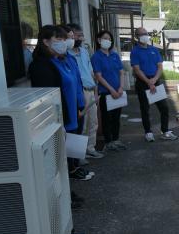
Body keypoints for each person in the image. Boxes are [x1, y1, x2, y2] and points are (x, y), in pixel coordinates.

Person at [29, 25, 92, 181]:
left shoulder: (63, 60)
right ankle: (66, 192)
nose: (64, 43)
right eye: (59, 39)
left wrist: (79, 105)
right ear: (45, 41)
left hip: (72, 114)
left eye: (65, 39)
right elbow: (50, 96)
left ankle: (73, 173)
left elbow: (75, 84)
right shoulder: (41, 65)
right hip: (58, 118)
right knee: (58, 158)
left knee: (69, 151)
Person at [130, 27, 177, 142]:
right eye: (141, 34)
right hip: (142, 82)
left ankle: (165, 131)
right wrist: (148, 81)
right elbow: (137, 69)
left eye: (146, 33)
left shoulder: (154, 50)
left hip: (155, 81)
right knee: (145, 109)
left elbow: (160, 67)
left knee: (164, 107)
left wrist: (154, 80)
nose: (145, 36)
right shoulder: (135, 51)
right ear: (136, 37)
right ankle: (148, 133)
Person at [68, 23, 104, 160]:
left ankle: (90, 148)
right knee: (81, 124)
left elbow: (91, 72)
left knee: (93, 122)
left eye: (81, 35)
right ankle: (79, 154)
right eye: (78, 35)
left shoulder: (84, 51)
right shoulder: (67, 54)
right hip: (79, 92)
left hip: (90, 90)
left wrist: (95, 89)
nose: (81, 38)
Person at [91, 29, 126, 152]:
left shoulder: (114, 55)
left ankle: (116, 139)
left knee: (116, 117)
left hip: (119, 91)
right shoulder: (96, 57)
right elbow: (99, 76)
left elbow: (121, 72)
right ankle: (108, 141)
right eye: (105, 38)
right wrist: (111, 90)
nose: (108, 41)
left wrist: (121, 87)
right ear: (99, 40)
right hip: (106, 92)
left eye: (110, 39)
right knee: (106, 118)